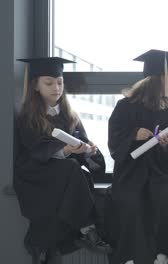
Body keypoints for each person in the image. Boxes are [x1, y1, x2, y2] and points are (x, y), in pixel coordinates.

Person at [14, 57, 112, 264]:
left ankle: (43, 244)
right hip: (35, 173)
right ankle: (88, 228)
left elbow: (85, 150)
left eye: (60, 82)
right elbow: (35, 150)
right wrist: (65, 150)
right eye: (48, 83)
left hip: (65, 175)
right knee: (71, 168)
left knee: (77, 172)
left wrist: (89, 151)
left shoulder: (70, 116)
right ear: (35, 86)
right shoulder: (27, 117)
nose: (56, 88)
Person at [107, 49, 168, 264]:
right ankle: (132, 258)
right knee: (132, 200)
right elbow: (114, 145)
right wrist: (133, 135)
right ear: (160, 77)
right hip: (130, 172)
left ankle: (162, 254)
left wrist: (165, 146)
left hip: (159, 173)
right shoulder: (124, 107)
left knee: (166, 196)